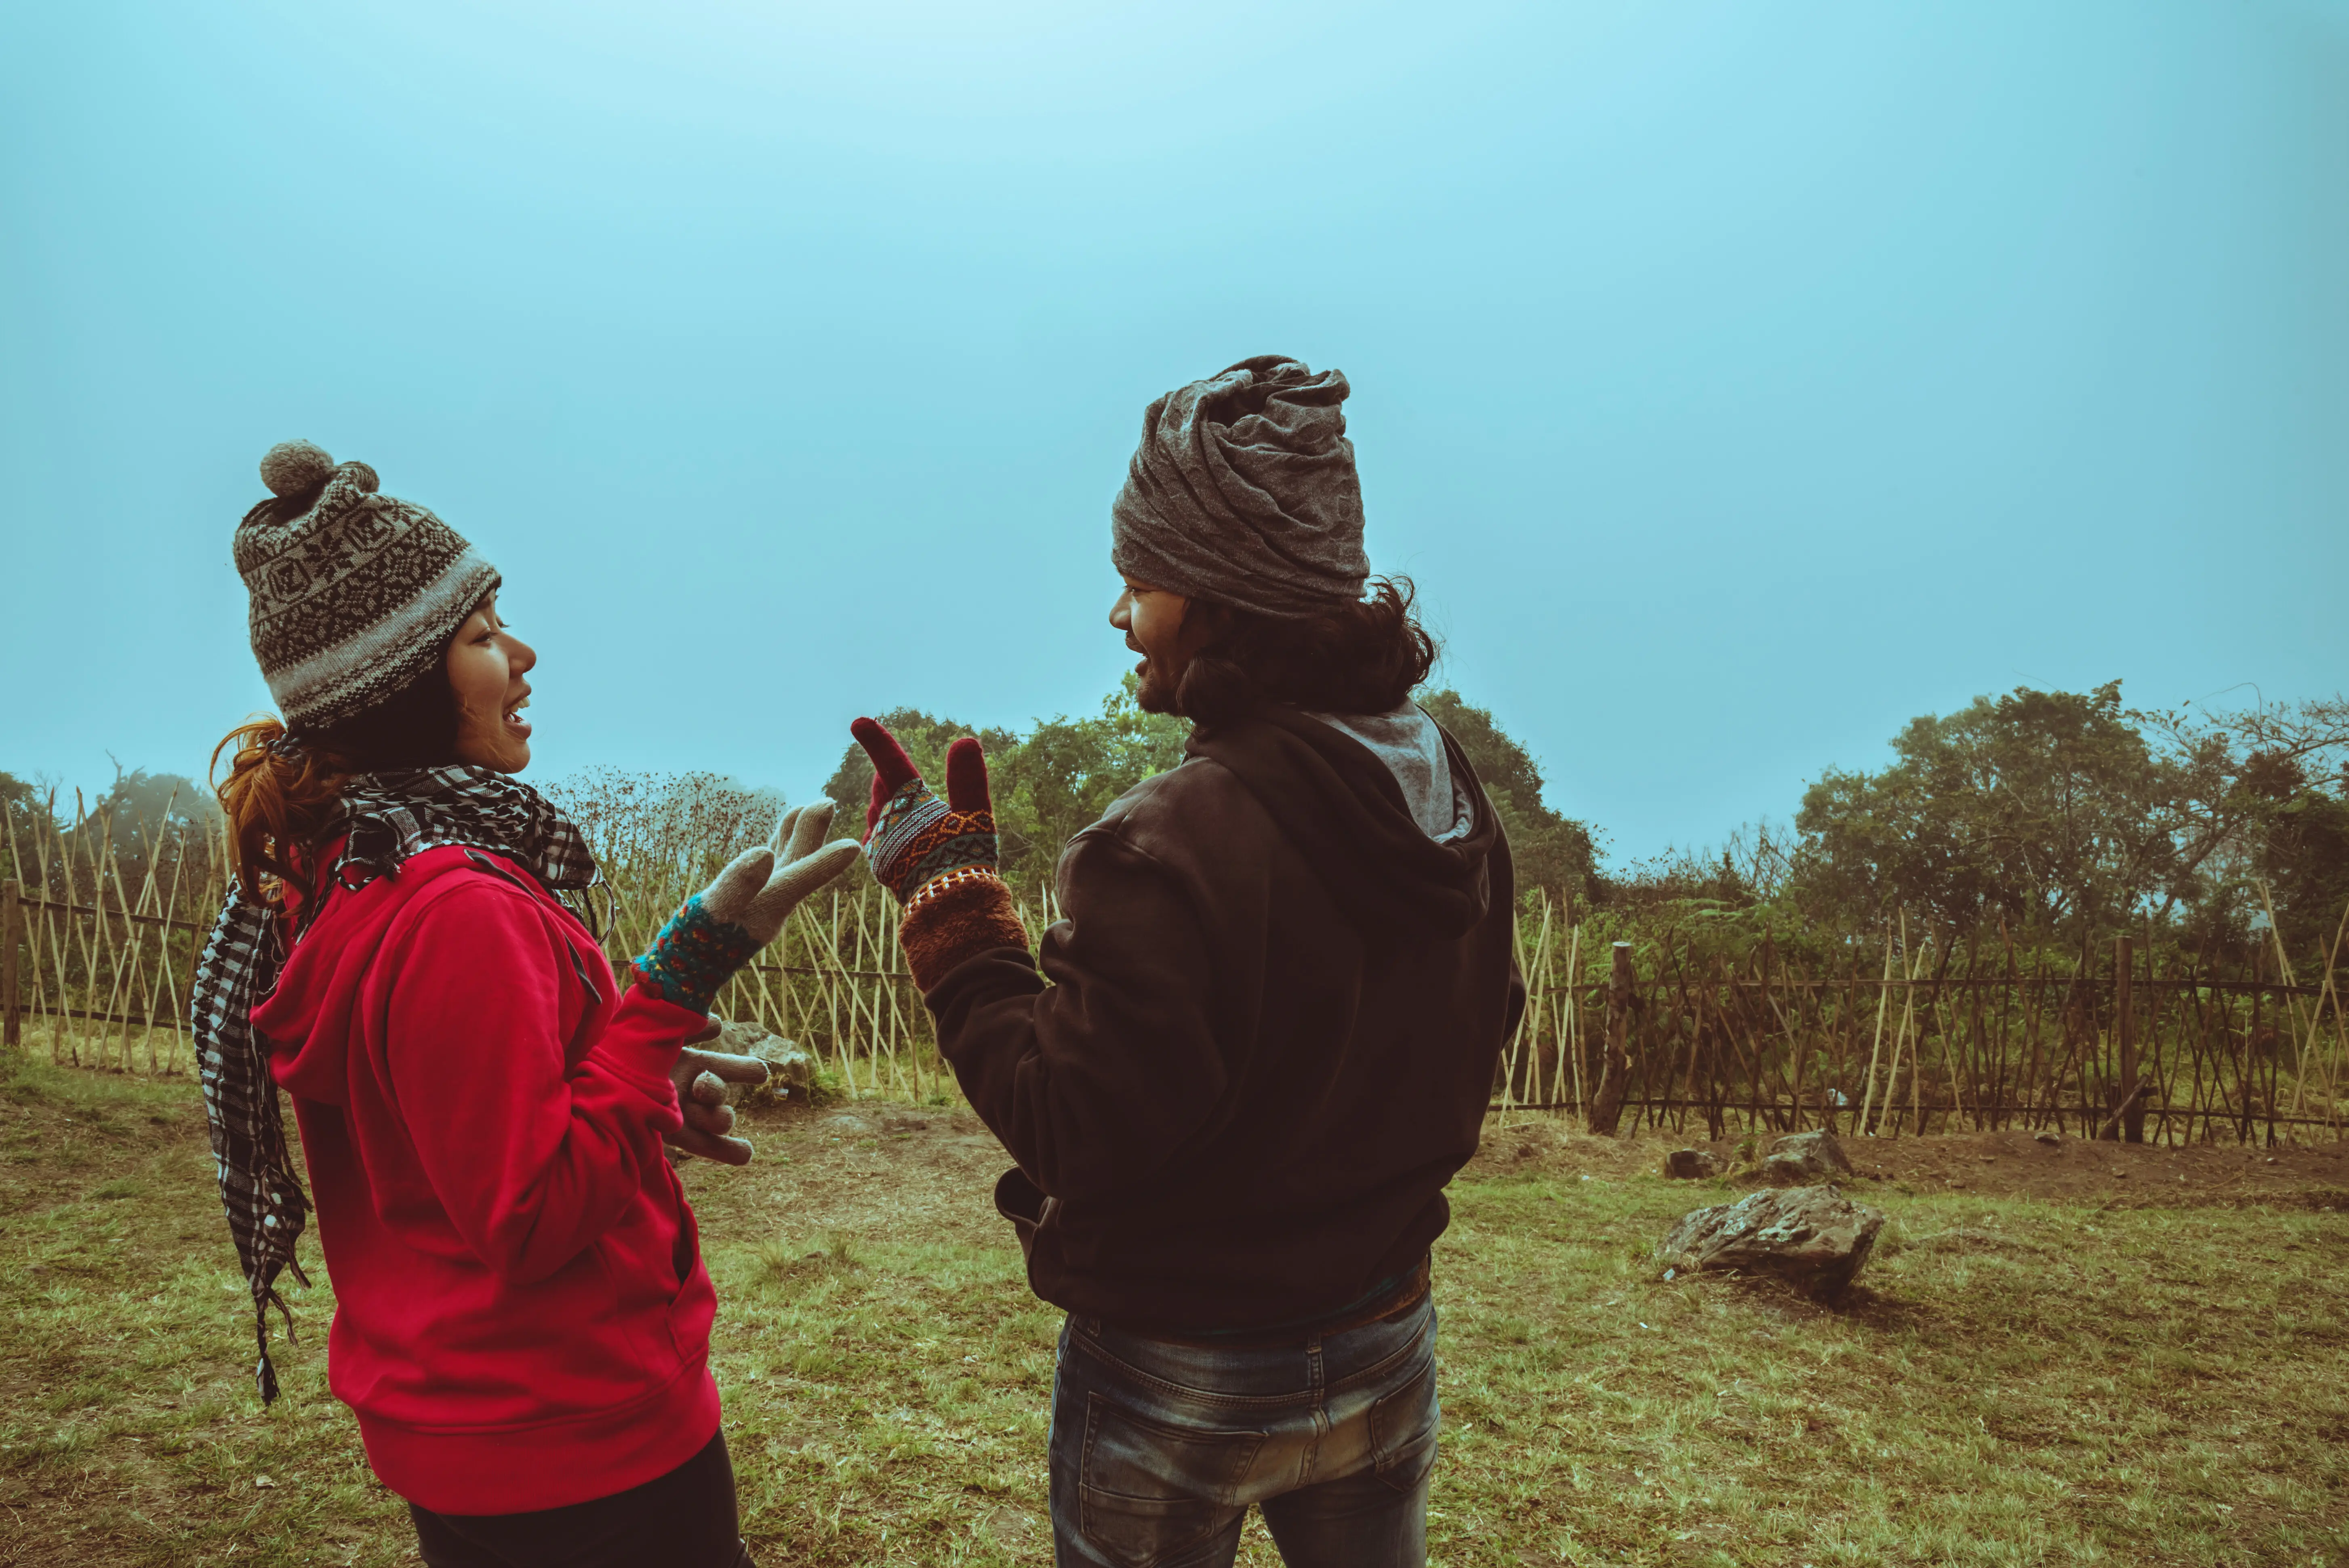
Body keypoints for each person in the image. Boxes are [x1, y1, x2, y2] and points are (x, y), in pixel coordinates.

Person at [848, 356, 1524, 1568]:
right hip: (1386, 1330)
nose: (1119, 615)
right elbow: (1482, 1018)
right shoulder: (1444, 791)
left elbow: (1076, 1132)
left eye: (1138, 580)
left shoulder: (1161, 840)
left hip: (1181, 1366)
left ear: (1217, 597)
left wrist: (952, 913)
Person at [193, 440, 859, 1568]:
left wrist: (646, 1096)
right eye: (484, 635)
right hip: (576, 1434)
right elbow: (533, 1213)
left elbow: (455, 1139)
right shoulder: (453, 902)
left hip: (473, 1422)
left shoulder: (344, 876)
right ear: (401, 682)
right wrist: (676, 985)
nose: (525, 654)